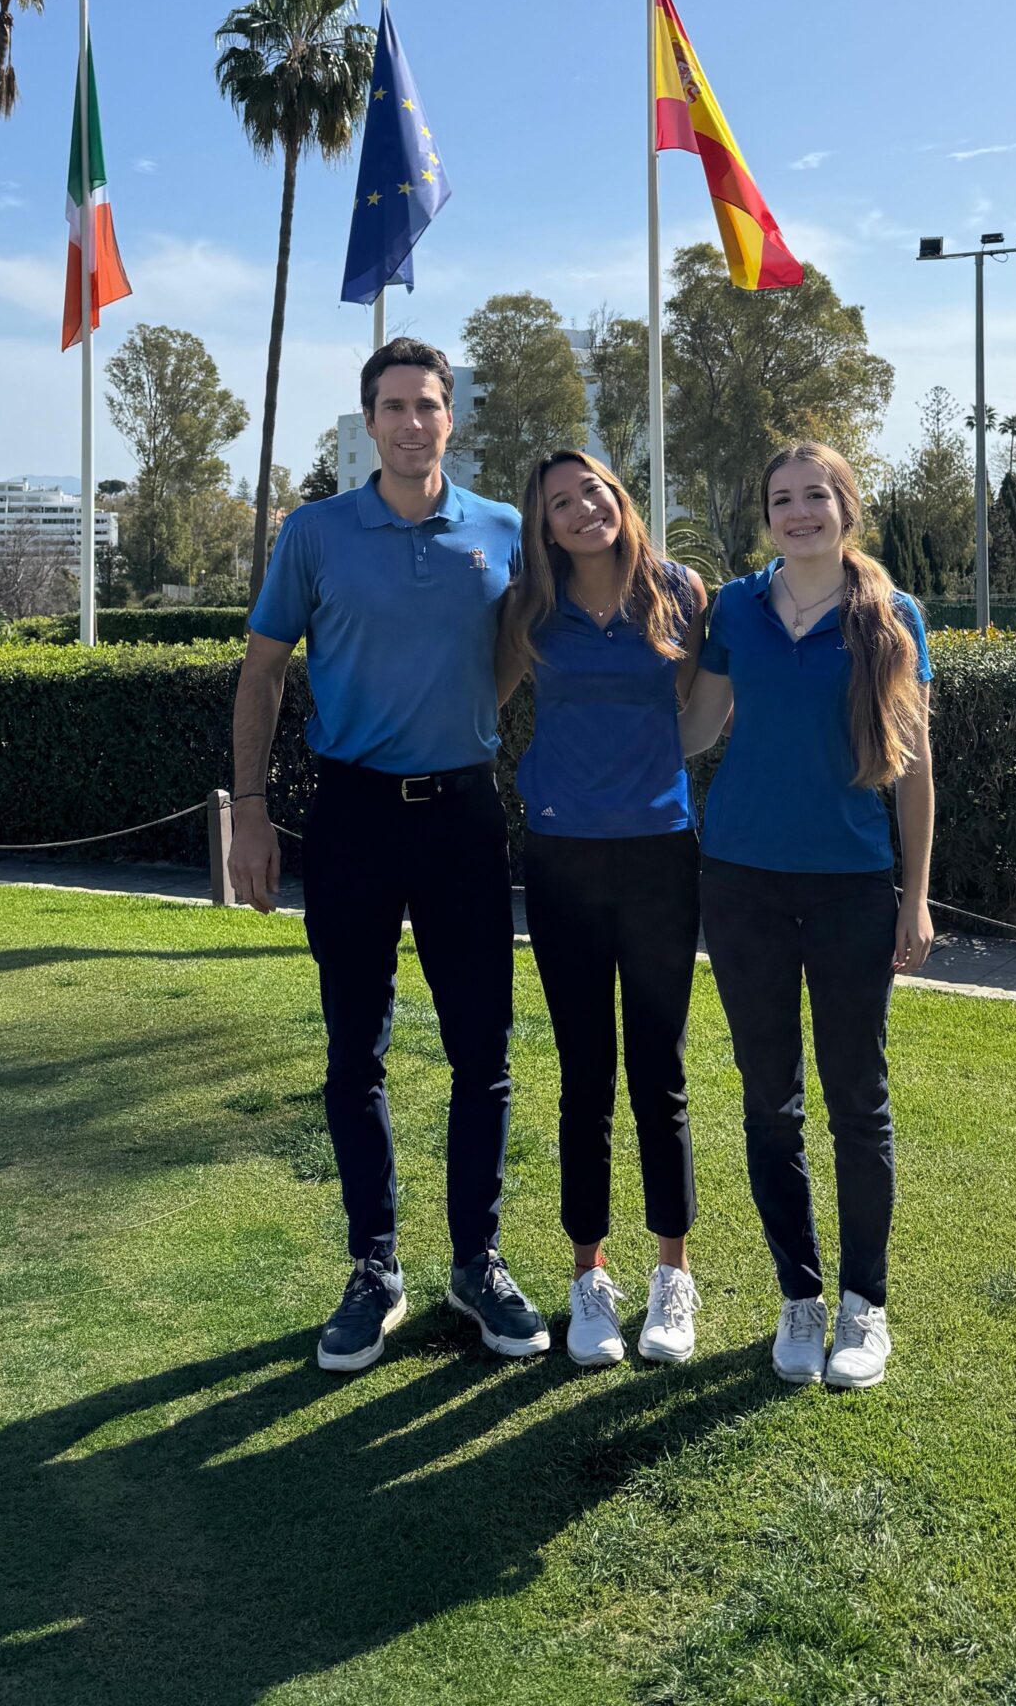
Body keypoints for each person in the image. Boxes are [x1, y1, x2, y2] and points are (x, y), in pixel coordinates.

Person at [229, 337, 550, 1374]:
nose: (413, 421)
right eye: (394, 405)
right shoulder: (315, 533)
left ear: (451, 417)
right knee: (352, 1053)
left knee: (482, 1058)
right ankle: (374, 1267)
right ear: (368, 421)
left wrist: (463, 728)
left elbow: (510, 653)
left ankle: (475, 1261)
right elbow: (264, 673)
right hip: (352, 816)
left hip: (462, 815)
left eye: (429, 404)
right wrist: (248, 810)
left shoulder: (501, 528)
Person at [681, 441, 934, 1393]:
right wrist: (604, 717)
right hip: (739, 880)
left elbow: (913, 777)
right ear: (767, 514)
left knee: (856, 1103)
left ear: (846, 508)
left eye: (815, 496)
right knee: (767, 1099)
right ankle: (799, 1296)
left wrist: (913, 896)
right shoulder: (736, 609)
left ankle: (863, 1307)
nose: (799, 512)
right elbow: (697, 728)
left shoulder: (891, 615)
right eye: (782, 498)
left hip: (850, 890)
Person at [498, 452, 709, 1369]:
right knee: (584, 1075)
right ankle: (588, 1278)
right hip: (560, 858)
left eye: (594, 493)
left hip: (663, 854)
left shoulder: (678, 592)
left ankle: (673, 1278)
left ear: (619, 500)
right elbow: (481, 701)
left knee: (657, 1072)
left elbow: (702, 705)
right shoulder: (528, 610)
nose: (583, 510)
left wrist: (662, 766)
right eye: (560, 503)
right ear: (542, 527)